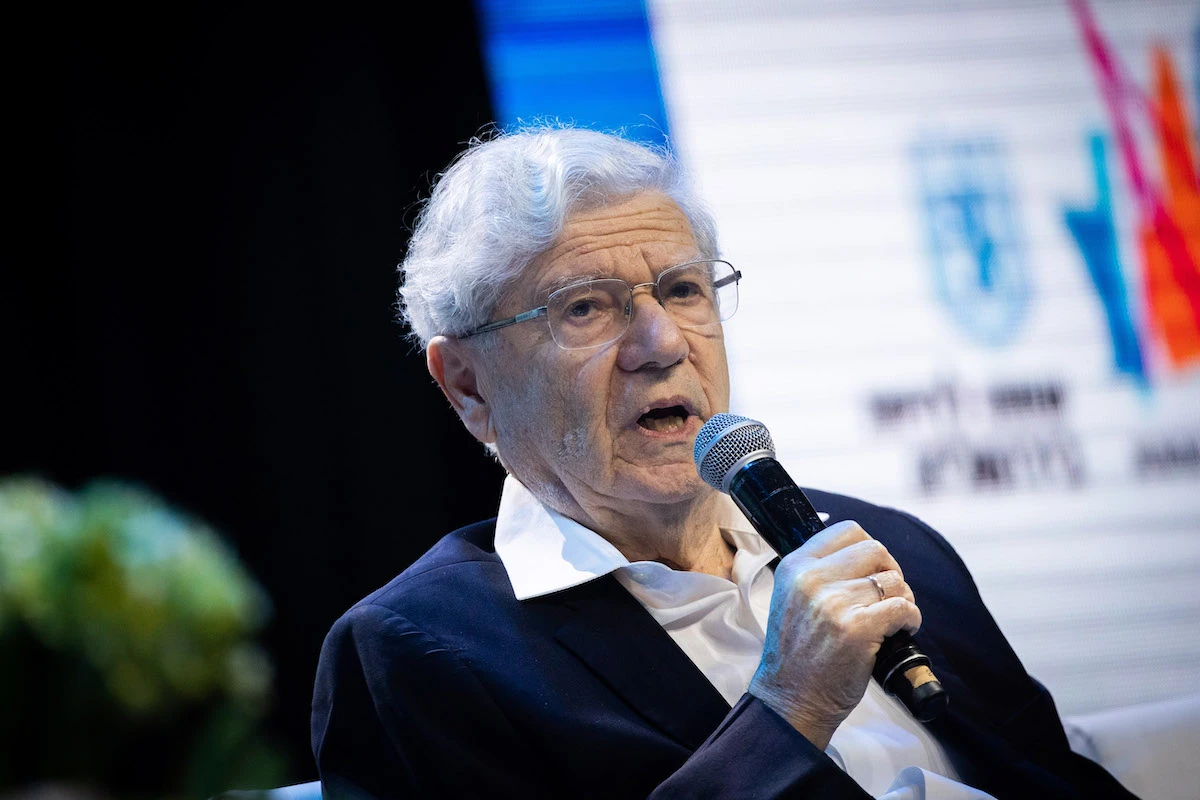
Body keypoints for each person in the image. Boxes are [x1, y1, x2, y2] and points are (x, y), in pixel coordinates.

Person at [310, 124, 1136, 799]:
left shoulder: (887, 546)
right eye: (585, 307)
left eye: (683, 289)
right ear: (467, 384)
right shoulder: (418, 653)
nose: (663, 342)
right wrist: (789, 706)